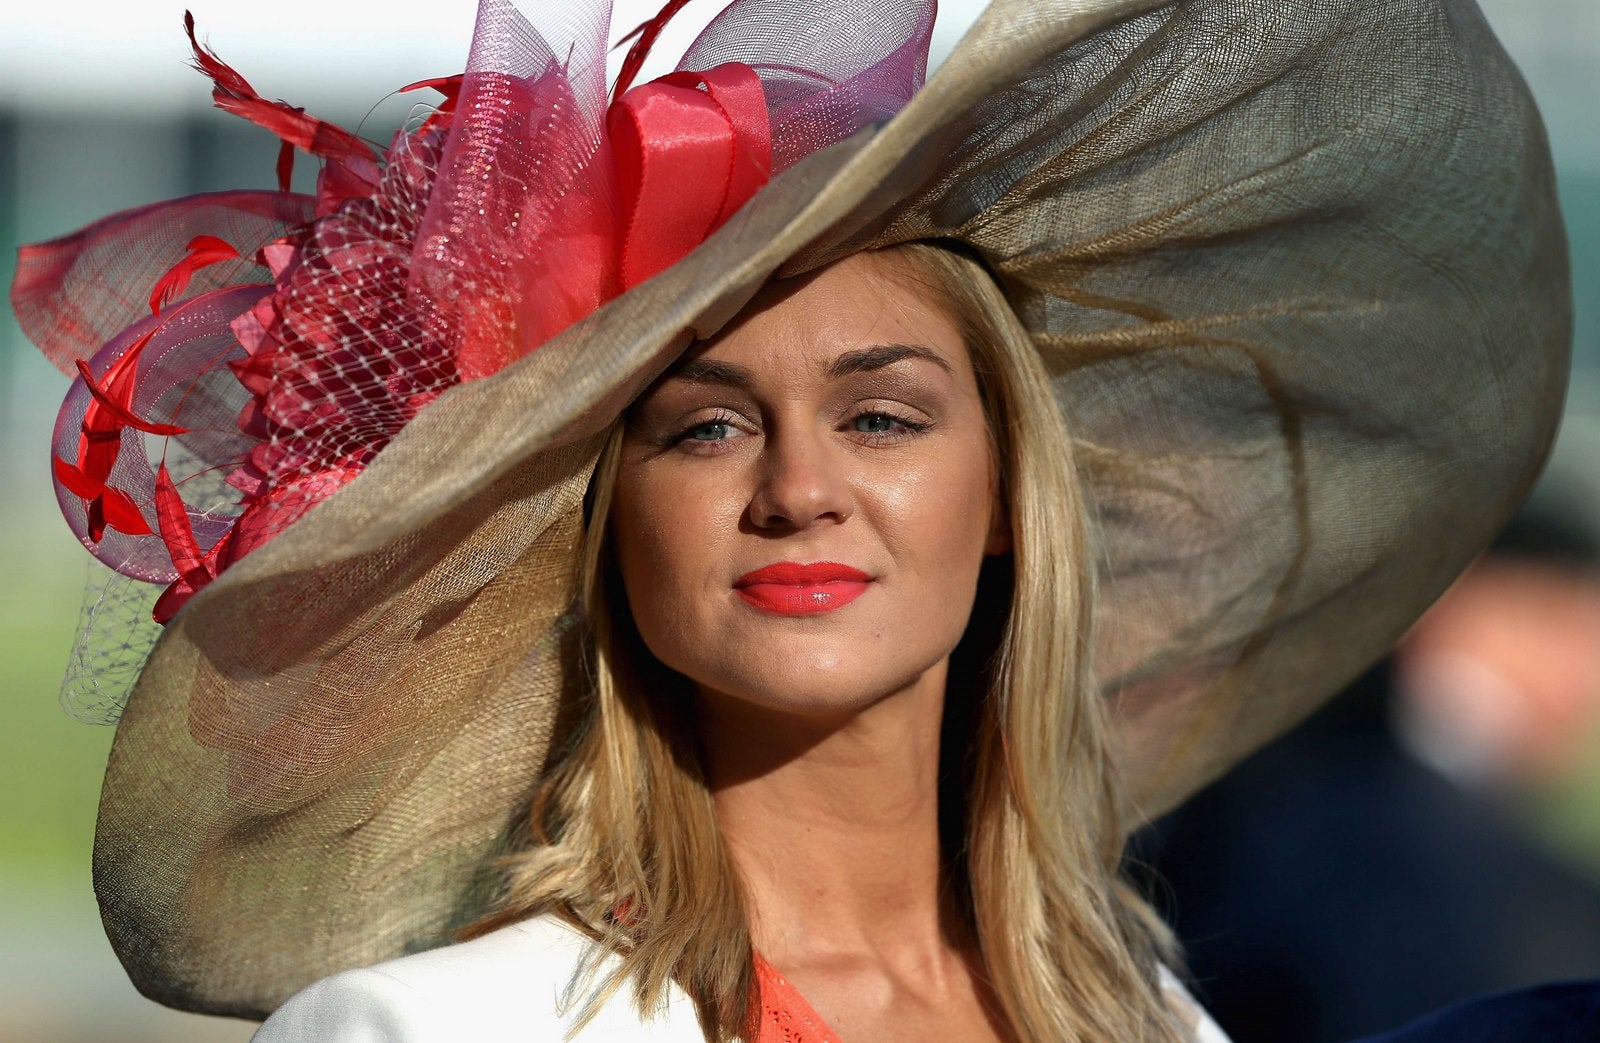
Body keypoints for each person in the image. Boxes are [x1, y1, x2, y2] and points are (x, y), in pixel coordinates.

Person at [8, 0, 1574, 1040]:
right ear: (615, 532)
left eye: (883, 414)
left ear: (1010, 495)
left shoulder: (1146, 1013)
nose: (799, 485)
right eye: (704, 426)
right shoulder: (429, 1033)